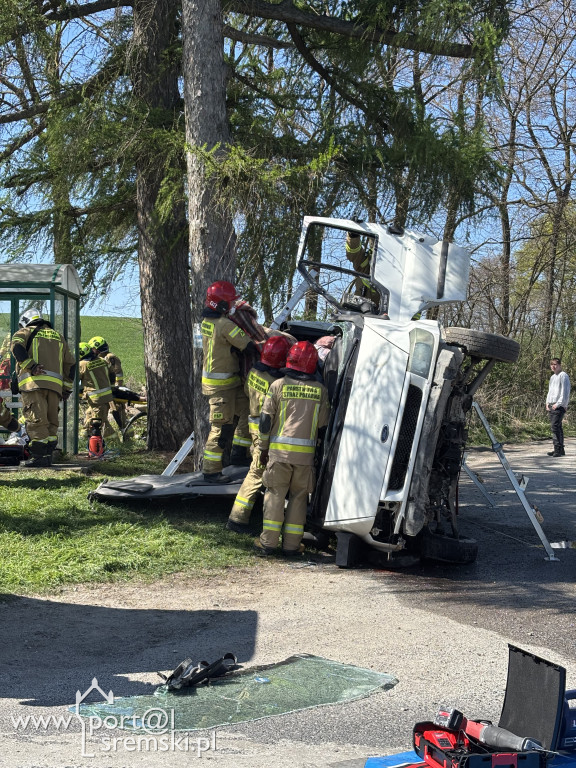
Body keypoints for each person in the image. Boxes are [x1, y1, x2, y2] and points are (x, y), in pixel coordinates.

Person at [254, 340, 330, 557]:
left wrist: (263, 448)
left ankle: (267, 544)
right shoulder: (321, 391)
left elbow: (265, 422)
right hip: (305, 460)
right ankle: (291, 546)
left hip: (278, 455)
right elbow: (324, 425)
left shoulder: (278, 385)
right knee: (298, 499)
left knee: (275, 496)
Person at [227, 335, 292, 534]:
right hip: (264, 431)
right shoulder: (276, 383)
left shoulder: (255, 370)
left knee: (257, 471)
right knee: (256, 473)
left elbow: (247, 392)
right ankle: (237, 519)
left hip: (253, 426)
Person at [201, 280, 263, 483]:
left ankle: (238, 454)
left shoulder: (207, 323)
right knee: (221, 428)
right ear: (221, 305)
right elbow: (249, 347)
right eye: (230, 302)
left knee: (246, 411)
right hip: (222, 387)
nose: (233, 305)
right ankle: (211, 471)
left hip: (229, 383)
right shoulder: (225, 325)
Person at [10, 308, 75, 467]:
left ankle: (39, 458)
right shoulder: (59, 337)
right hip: (55, 388)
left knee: (36, 420)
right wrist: (66, 389)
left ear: (25, 321)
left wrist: (31, 366)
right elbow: (71, 365)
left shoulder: (24, 332)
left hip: (34, 385)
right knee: (51, 421)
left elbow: (16, 349)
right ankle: (48, 456)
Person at [78, 339, 114, 444]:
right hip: (106, 397)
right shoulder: (102, 360)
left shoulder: (82, 364)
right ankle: (83, 438)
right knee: (89, 414)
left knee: (98, 422)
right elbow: (112, 374)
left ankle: (111, 443)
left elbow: (76, 380)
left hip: (96, 398)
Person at [88, 335, 126, 429]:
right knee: (102, 413)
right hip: (107, 390)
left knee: (117, 412)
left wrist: (116, 388)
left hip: (112, 391)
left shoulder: (109, 357)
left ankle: (126, 433)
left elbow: (117, 373)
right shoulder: (101, 359)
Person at [546, 358, 570, 457]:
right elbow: (550, 391)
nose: (553, 366)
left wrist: (559, 404)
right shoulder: (552, 377)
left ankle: (558, 449)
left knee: (555, 427)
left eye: (555, 364)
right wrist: (547, 402)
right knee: (557, 427)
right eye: (552, 364)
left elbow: (565, 391)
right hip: (552, 404)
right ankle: (560, 449)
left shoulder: (563, 376)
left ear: (559, 365)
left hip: (558, 406)